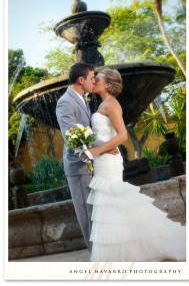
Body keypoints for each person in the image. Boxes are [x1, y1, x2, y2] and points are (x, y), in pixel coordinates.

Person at [85, 67, 186, 262]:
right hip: (102, 160)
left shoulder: (112, 104)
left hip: (107, 160)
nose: (94, 79)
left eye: (97, 77)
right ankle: (121, 251)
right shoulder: (103, 104)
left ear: (107, 84)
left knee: (112, 200)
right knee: (112, 204)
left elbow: (122, 135)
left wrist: (97, 150)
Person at [56, 63, 117, 253]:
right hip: (78, 166)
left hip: (90, 162)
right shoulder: (65, 102)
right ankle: (96, 257)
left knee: (96, 210)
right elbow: (72, 135)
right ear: (81, 80)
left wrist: (103, 149)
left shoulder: (82, 98)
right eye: (92, 78)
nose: (94, 81)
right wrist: (104, 147)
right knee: (87, 212)